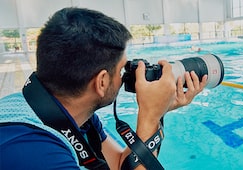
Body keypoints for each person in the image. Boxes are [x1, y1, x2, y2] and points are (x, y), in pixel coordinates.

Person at [0, 7, 207, 170]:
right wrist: (149, 116)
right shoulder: (36, 155)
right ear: (101, 82)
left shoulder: (69, 112)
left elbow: (117, 164)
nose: (126, 76)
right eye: (120, 71)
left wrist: (159, 112)